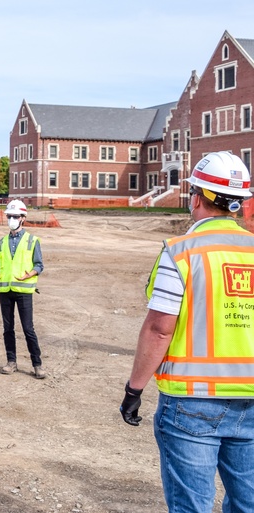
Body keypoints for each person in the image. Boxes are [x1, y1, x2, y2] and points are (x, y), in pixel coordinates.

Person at [119, 151, 254, 513]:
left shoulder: (181, 252)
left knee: (191, 506)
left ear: (196, 198)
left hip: (192, 399)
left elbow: (160, 328)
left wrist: (134, 389)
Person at [0, 199, 46, 379]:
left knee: (28, 329)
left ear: (23, 218)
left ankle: (37, 364)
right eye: (9, 216)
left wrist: (30, 274)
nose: (12, 219)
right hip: (5, 291)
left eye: (15, 216)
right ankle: (11, 362)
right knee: (7, 328)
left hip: (24, 291)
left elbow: (40, 265)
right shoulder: (1, 243)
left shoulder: (32, 241)